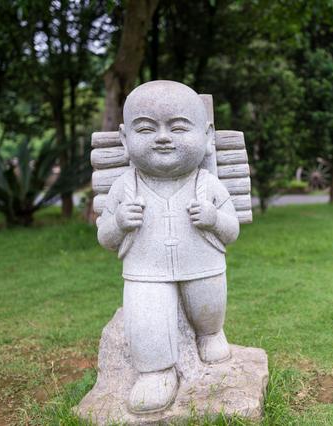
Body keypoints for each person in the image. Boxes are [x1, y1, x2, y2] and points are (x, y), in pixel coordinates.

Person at [96, 81, 239, 414]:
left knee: (209, 303)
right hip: (146, 272)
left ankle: (210, 333)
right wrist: (118, 221)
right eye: (146, 128)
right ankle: (155, 373)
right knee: (146, 320)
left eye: (177, 128)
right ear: (123, 138)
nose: (162, 137)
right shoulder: (125, 187)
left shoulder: (207, 185)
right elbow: (105, 236)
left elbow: (230, 232)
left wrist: (214, 218)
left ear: (207, 137)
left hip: (203, 265)